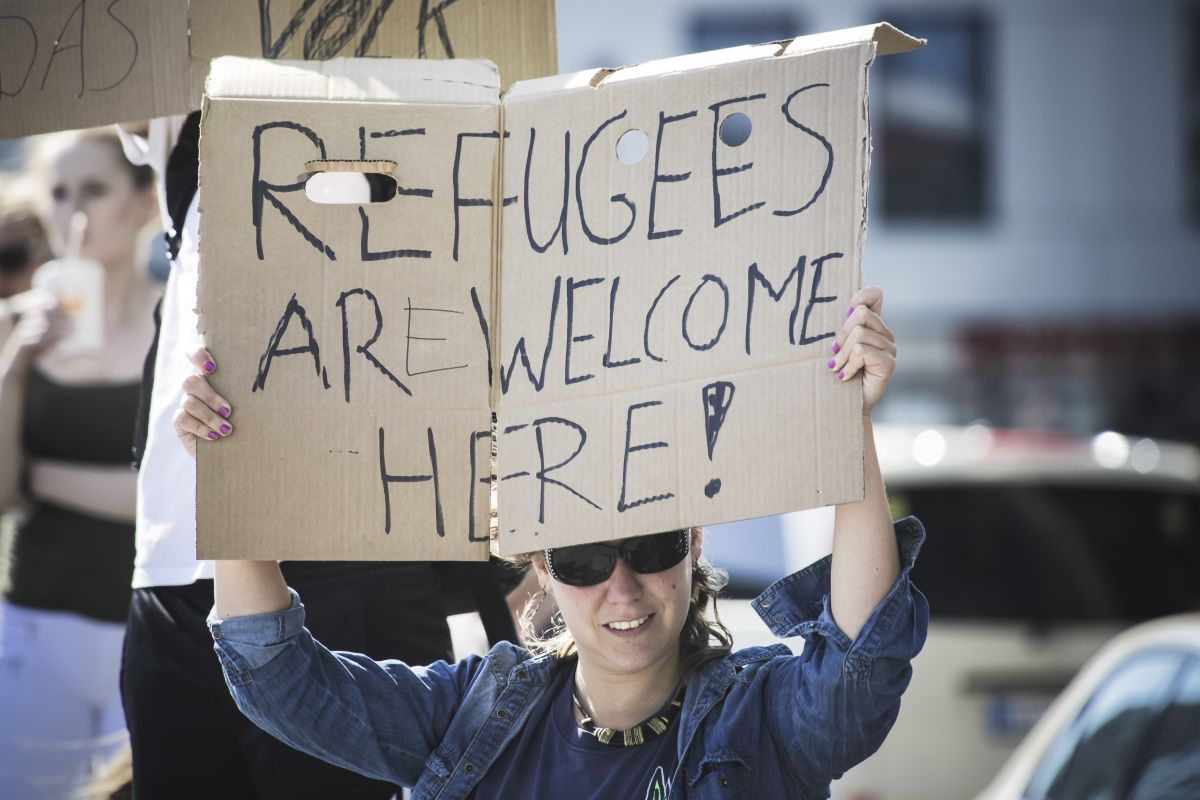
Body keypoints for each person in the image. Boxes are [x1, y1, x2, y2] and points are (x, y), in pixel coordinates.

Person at [176, 285, 929, 799]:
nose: (623, 587)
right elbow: (280, 681)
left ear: (695, 541)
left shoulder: (760, 716)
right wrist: (235, 470)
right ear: (541, 565)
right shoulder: (475, 709)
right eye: (584, 561)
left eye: (653, 547)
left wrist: (848, 420)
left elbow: (861, 665)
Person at [116, 115, 488, 799]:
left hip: (345, 549)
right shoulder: (192, 120)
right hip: (176, 555)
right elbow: (125, 72)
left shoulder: (404, 108)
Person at [0, 128, 160, 800]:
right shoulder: (14, 326)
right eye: (59, 193)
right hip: (38, 616)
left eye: (94, 188)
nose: (76, 212)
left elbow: (169, 495)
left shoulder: (178, 325)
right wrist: (13, 371)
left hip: (150, 629)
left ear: (145, 201)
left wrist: (46, 478)